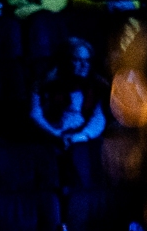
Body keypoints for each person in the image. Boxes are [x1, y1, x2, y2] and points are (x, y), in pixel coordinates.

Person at [29, 36, 109, 187]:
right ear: (65, 61)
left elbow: (99, 118)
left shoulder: (97, 84)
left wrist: (79, 137)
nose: (83, 65)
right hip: (51, 136)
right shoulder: (44, 83)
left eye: (87, 60)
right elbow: (35, 115)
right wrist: (57, 135)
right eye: (77, 60)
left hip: (83, 139)